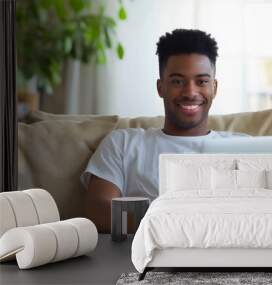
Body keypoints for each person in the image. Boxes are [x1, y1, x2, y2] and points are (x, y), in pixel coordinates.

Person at [81, 29, 248, 233]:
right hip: (146, 258)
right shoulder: (123, 143)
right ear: (161, 87)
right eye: (178, 81)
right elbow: (97, 212)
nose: (190, 92)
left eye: (202, 81)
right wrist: (173, 226)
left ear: (214, 87)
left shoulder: (243, 147)